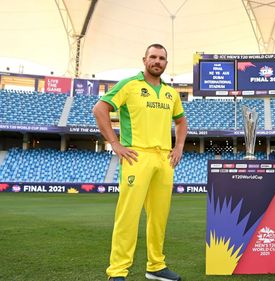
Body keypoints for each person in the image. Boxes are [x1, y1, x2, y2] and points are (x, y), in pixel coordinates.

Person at [93, 43, 188, 281]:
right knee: (128, 215)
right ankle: (117, 271)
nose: (157, 61)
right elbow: (100, 109)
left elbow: (182, 122)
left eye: (162, 58)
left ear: (166, 63)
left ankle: (156, 266)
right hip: (137, 156)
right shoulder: (130, 85)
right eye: (153, 57)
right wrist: (114, 143)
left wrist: (178, 147)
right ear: (144, 60)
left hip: (164, 159)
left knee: (159, 216)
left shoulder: (171, 92)